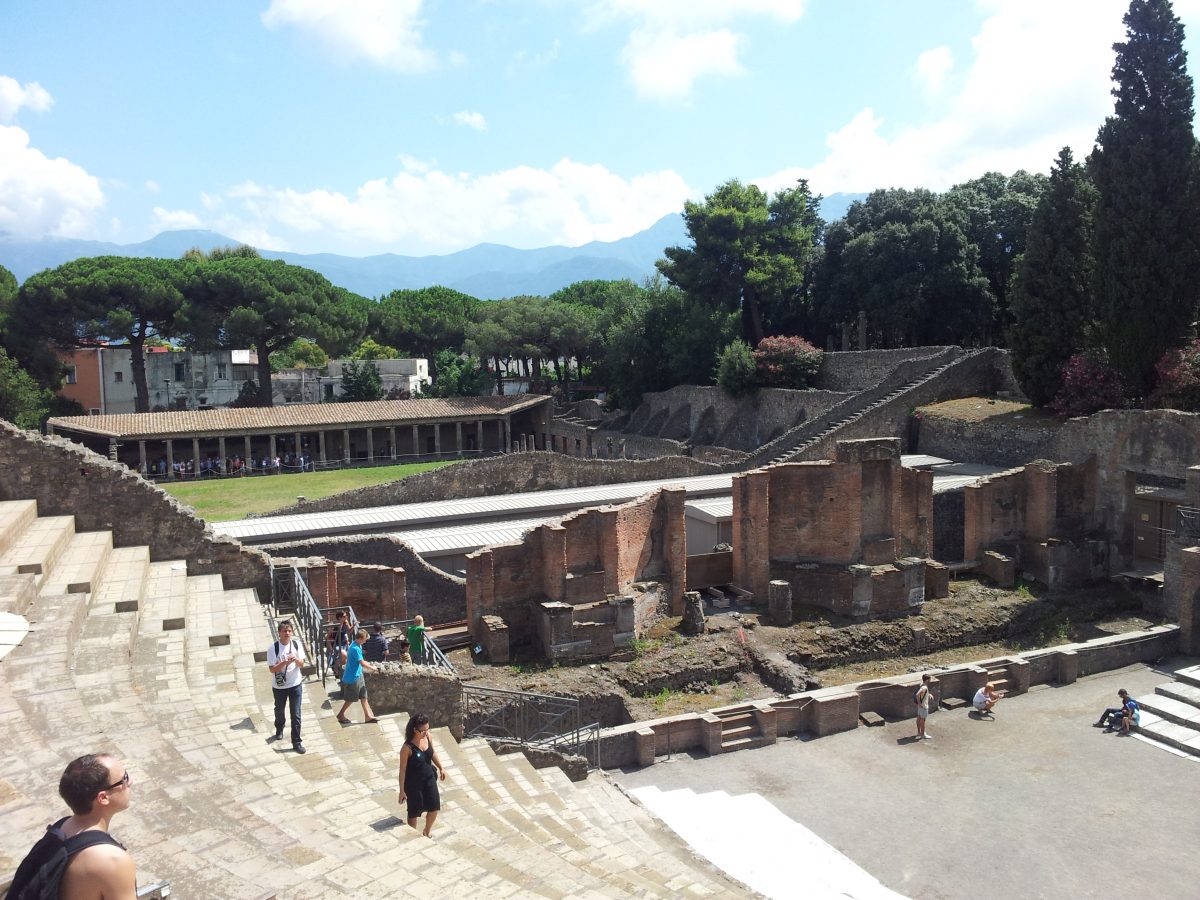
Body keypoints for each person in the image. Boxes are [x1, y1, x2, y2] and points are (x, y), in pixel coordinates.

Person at [8, 754, 137, 900]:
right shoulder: (112, 860)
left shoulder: (62, 827)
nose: (130, 781)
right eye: (124, 778)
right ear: (103, 798)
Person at [398, 714, 447, 837]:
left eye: (427, 729)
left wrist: (441, 767)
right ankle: (413, 835)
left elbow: (432, 753)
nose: (426, 732)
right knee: (414, 812)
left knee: (434, 807)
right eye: (423, 730)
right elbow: (402, 770)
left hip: (429, 778)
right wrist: (402, 791)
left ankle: (427, 831)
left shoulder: (428, 737)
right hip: (413, 783)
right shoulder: (407, 748)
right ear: (415, 730)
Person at [267, 621, 306, 754]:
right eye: (284, 631)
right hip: (279, 687)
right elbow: (272, 669)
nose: (287, 633)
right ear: (279, 633)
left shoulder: (296, 644)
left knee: (296, 714)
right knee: (279, 710)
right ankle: (279, 727)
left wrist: (295, 659)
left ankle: (297, 742)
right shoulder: (273, 648)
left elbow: (301, 664)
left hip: (295, 684)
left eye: (289, 631)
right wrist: (284, 662)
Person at [336, 629, 380, 725]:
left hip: (358, 675)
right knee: (351, 699)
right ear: (359, 639)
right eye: (364, 639)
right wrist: (372, 668)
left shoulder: (356, 644)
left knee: (364, 696)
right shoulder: (355, 648)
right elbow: (362, 662)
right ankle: (340, 715)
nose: (365, 641)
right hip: (353, 678)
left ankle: (367, 716)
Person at [328, 611, 351, 678]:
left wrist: (354, 625)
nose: (346, 617)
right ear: (339, 618)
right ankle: (335, 668)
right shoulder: (334, 626)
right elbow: (327, 637)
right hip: (336, 645)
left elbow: (349, 631)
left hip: (344, 643)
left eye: (346, 616)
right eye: (344, 616)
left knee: (345, 659)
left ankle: (341, 673)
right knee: (345, 655)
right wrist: (330, 648)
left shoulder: (345, 623)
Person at [914, 674, 934, 740]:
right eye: (930, 679)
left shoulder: (921, 684)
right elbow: (917, 694)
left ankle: (919, 733)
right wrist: (920, 703)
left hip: (920, 707)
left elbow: (923, 693)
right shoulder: (924, 687)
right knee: (923, 720)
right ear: (927, 680)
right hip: (923, 706)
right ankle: (922, 734)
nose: (930, 680)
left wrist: (929, 694)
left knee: (919, 718)